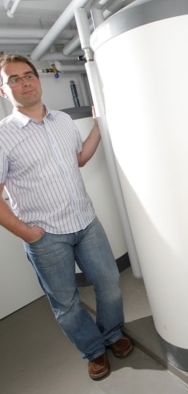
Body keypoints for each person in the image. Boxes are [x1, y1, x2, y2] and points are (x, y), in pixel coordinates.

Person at [0, 54, 133, 379]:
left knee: (109, 284)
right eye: (13, 79)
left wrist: (99, 128)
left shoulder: (61, 120)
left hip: (86, 222)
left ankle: (113, 334)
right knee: (67, 303)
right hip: (45, 237)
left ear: (38, 79)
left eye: (28, 75)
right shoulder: (3, 135)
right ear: (3, 90)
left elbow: (80, 159)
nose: (24, 82)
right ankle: (94, 350)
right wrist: (29, 234)